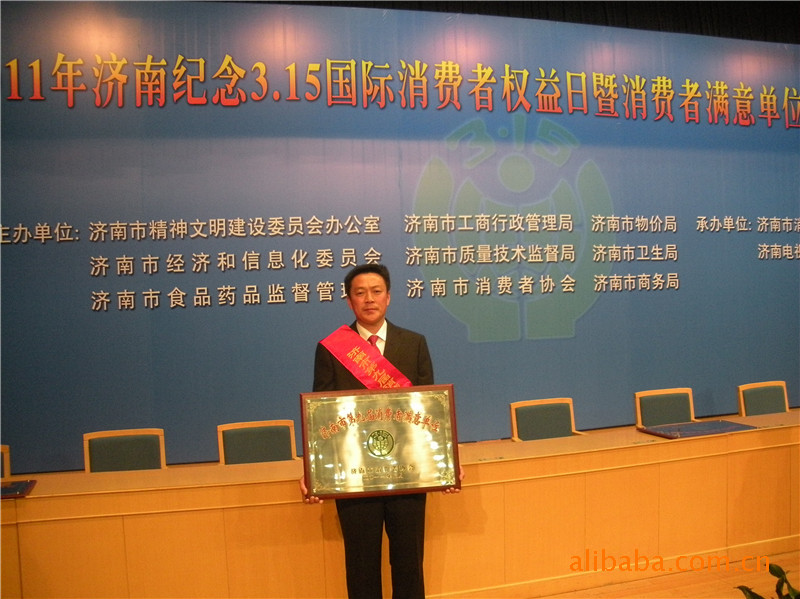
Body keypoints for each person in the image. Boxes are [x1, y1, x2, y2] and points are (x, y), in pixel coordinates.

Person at [301, 263, 460, 599]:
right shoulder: (331, 349)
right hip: (355, 477)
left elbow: (430, 410)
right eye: (360, 293)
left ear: (388, 297)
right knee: (361, 565)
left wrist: (446, 463)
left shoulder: (414, 343)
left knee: (409, 564)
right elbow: (321, 417)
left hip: (408, 474)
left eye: (376, 292)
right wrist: (313, 472)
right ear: (349, 301)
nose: (369, 299)